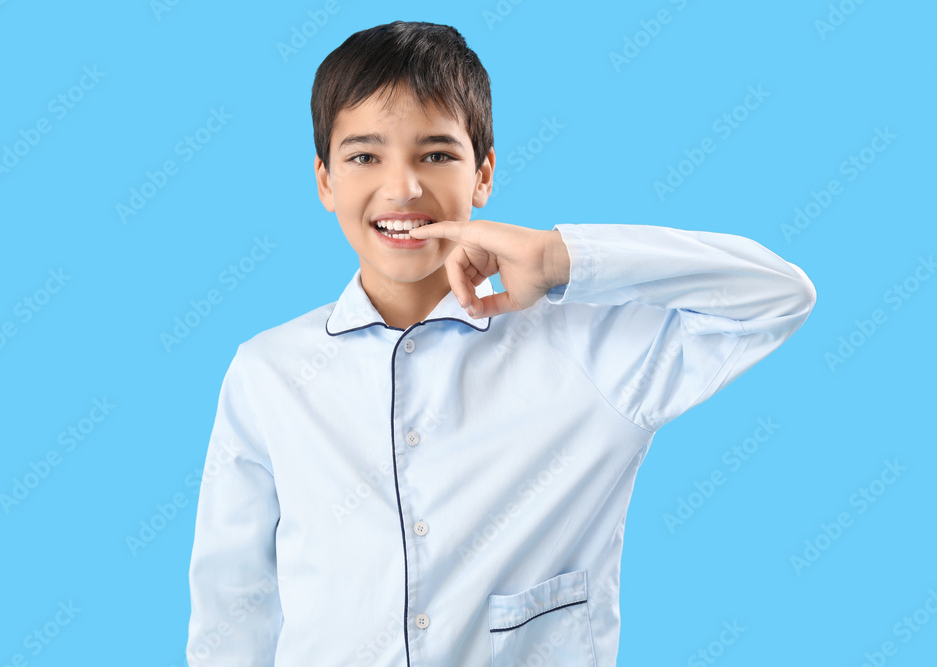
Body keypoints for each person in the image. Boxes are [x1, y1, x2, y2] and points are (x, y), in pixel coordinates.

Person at [186, 20, 816, 667]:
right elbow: (233, 608)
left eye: (435, 154)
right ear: (324, 180)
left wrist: (560, 254)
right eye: (364, 155)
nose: (402, 187)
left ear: (483, 174)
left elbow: (777, 297)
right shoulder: (268, 372)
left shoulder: (588, 353)